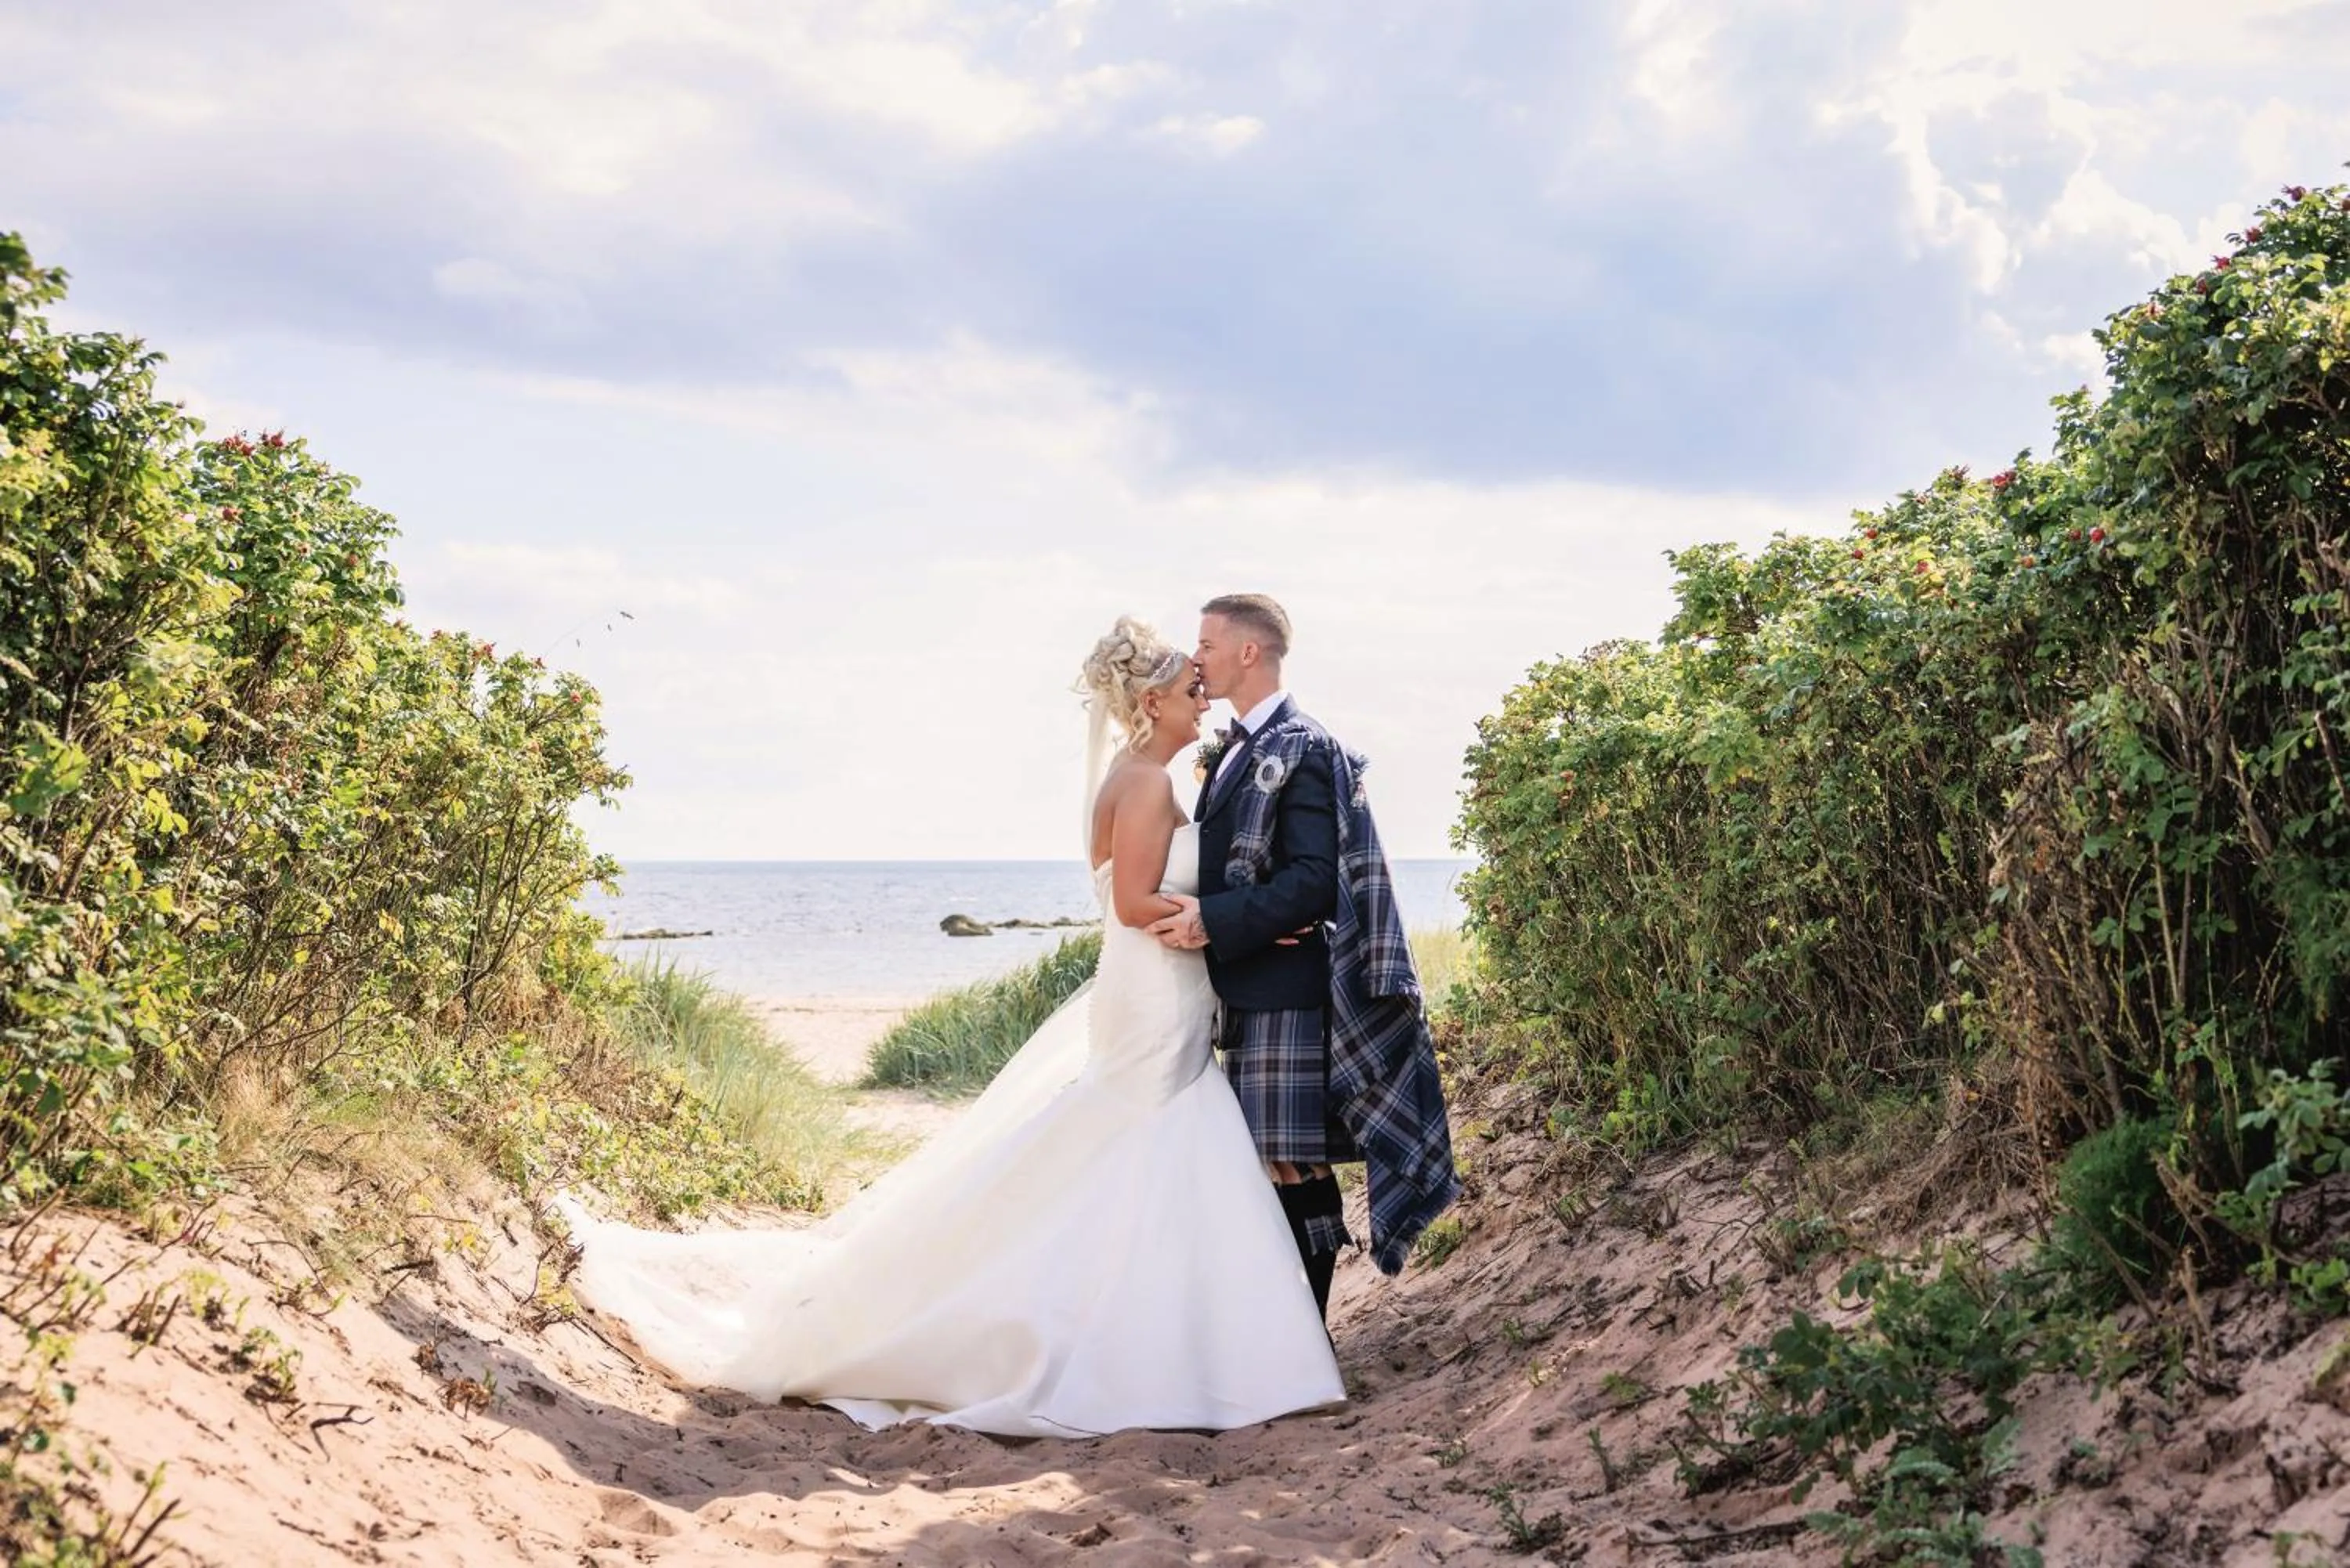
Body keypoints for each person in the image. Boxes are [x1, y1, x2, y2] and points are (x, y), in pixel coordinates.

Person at [553, 616, 1344, 1438]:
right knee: (1144, 1142)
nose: (1202, 698)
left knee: (1126, 1152)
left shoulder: (1138, 775)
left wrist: (1234, 914)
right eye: (1190, 688)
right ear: (1152, 699)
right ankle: (1136, 1344)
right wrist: (1225, 916)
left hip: (1159, 991)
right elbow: (1135, 903)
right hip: (1154, 994)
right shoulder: (1144, 785)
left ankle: (1157, 1336)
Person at [1149, 594, 1460, 1311]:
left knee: (1293, 1161)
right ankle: (1293, 1333)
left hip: (1289, 988)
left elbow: (1315, 882)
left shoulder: (1302, 745)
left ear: (1248, 652)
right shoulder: (1241, 748)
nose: (1196, 657)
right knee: (1279, 1161)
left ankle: (1308, 1332)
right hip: (1257, 983)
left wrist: (1214, 919)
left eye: (1206, 643)